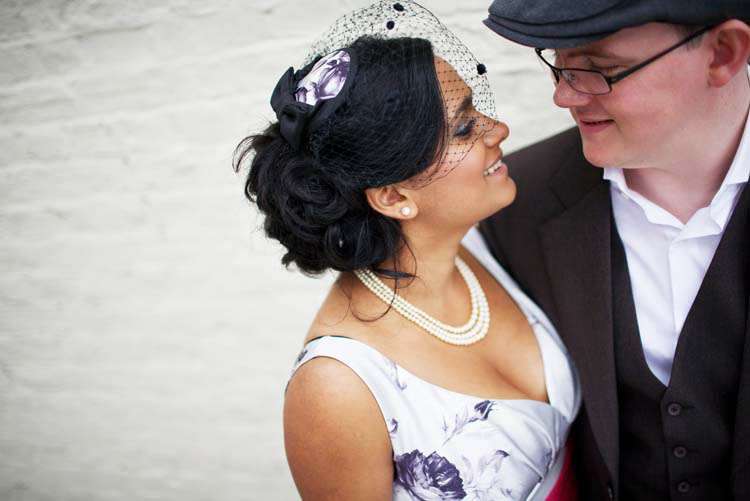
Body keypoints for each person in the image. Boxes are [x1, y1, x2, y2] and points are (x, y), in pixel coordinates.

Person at [234, 1, 580, 499]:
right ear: (395, 197)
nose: (498, 129)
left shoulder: (487, 244)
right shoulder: (337, 388)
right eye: (465, 128)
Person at [480, 1, 750, 499]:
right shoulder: (514, 205)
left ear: (723, 53)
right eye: (558, 63)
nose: (563, 95)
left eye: (600, 69)